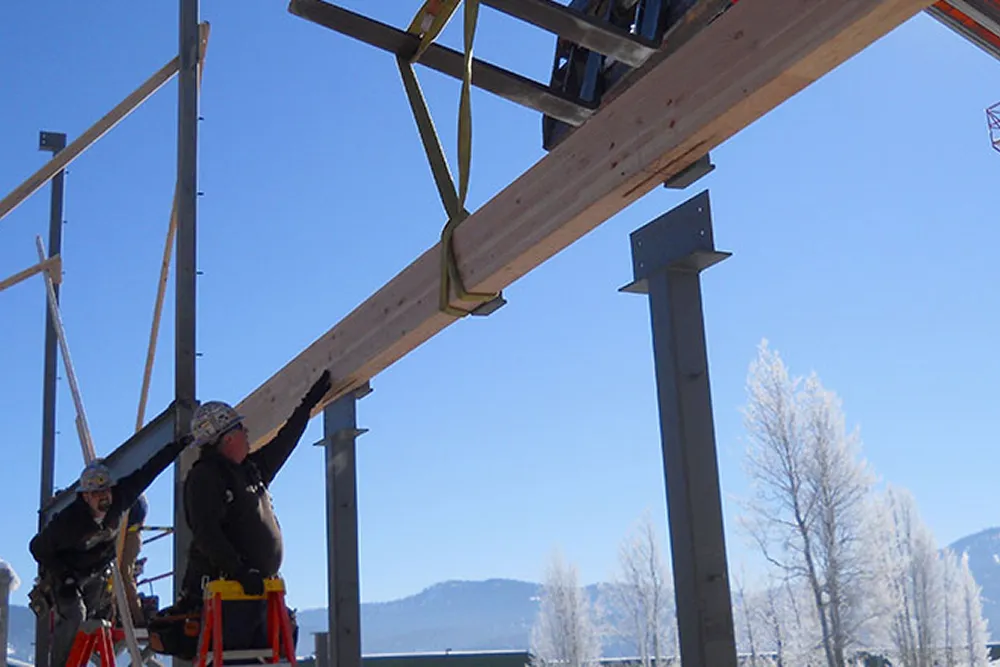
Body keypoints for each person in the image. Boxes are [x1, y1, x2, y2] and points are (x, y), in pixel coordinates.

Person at [28, 435, 192, 667]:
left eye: (106, 491)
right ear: (85, 496)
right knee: (75, 615)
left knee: (99, 618)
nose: (104, 497)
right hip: (67, 575)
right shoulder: (69, 522)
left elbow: (148, 472)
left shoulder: (121, 499)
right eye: (97, 494)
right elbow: (37, 548)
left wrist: (176, 446)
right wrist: (63, 576)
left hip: (96, 572)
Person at [178, 369, 331, 606]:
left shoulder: (249, 470)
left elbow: (284, 442)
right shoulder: (205, 477)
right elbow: (207, 533)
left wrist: (307, 405)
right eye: (242, 430)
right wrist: (239, 571)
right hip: (227, 593)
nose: (247, 434)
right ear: (227, 438)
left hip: (255, 591)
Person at [120, 494, 148, 627]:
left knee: (124, 575)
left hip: (129, 535)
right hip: (123, 535)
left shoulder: (136, 498)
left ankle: (137, 618)